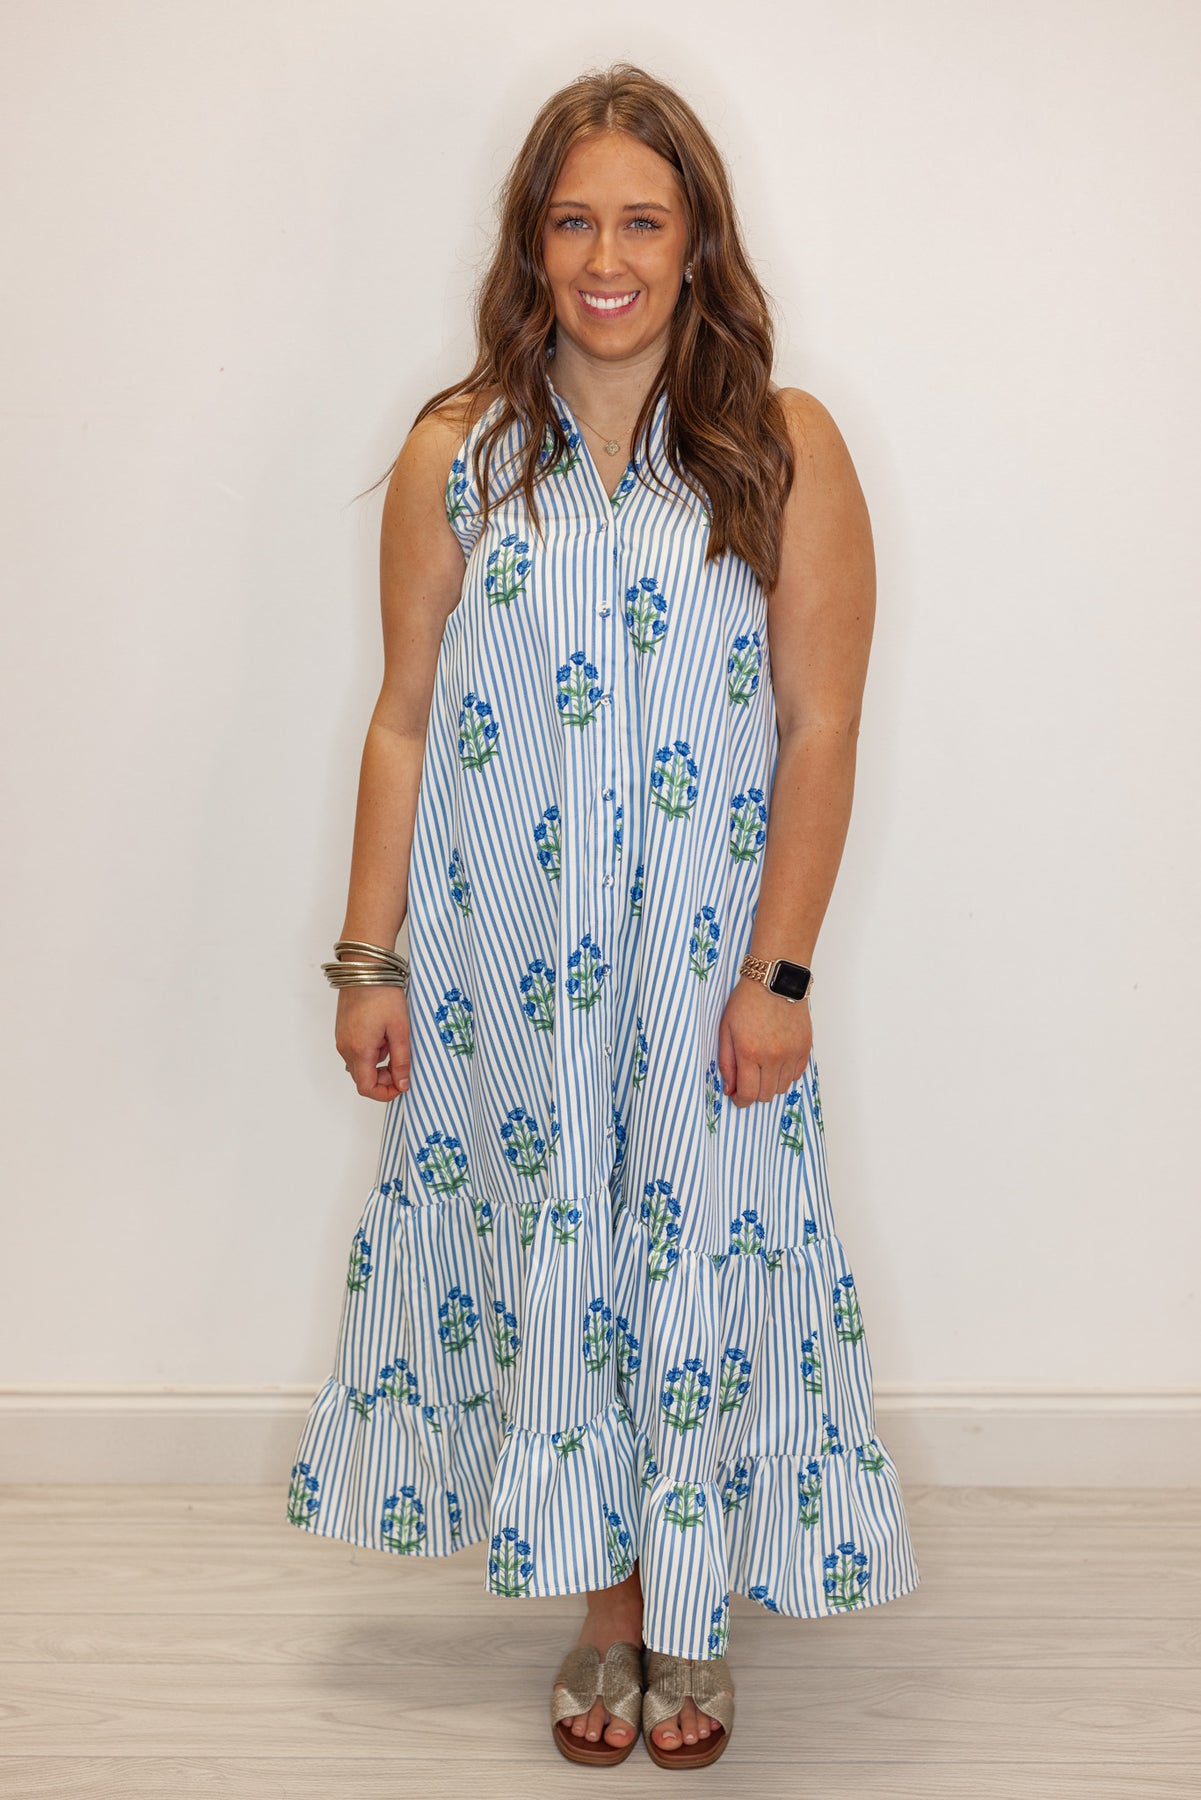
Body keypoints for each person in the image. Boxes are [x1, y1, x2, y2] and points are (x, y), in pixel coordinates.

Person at [287, 62, 920, 1770]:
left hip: (705, 973)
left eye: (642, 220)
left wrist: (780, 974)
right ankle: (609, 1611)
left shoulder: (783, 448)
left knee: (696, 1261)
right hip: (506, 982)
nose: (605, 257)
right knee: (551, 1260)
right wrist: (367, 960)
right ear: (530, 243)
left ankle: (695, 1613)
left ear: (696, 240)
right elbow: (402, 719)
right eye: (572, 222)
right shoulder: (457, 454)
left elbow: (821, 725)